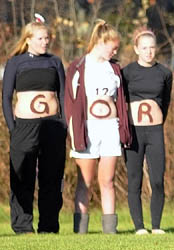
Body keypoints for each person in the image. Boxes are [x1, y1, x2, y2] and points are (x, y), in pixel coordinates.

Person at [64, 20, 131, 234]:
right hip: (88, 128)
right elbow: (70, 101)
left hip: (109, 128)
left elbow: (120, 100)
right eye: (113, 46)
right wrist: (74, 130)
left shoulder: (114, 69)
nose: (116, 50)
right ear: (102, 42)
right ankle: (80, 230)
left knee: (107, 180)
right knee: (86, 181)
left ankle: (110, 230)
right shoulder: (79, 66)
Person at [2, 17, 66, 234]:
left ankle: (49, 226)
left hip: (52, 127)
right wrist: (13, 127)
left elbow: (64, 95)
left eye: (47, 38)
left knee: (51, 177)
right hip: (24, 127)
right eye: (40, 38)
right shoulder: (15, 63)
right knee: (22, 176)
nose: (45, 42)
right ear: (28, 39)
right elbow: (6, 97)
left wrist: (64, 124)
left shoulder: (54, 62)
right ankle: (22, 226)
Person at [122, 29, 173, 235]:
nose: (149, 52)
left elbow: (166, 101)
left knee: (157, 179)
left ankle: (156, 225)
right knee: (134, 179)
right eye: (144, 48)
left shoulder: (164, 73)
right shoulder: (127, 72)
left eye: (152, 48)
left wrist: (159, 120)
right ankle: (139, 226)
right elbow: (120, 100)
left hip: (155, 131)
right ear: (136, 49)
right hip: (134, 131)